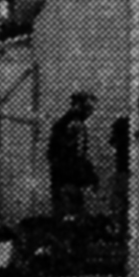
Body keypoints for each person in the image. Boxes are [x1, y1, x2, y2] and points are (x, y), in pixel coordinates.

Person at [47, 91, 100, 227]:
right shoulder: (73, 124)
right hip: (67, 177)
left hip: (65, 176)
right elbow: (73, 153)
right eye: (88, 108)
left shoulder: (69, 123)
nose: (91, 112)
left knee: (68, 213)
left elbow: (77, 152)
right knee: (71, 214)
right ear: (78, 106)